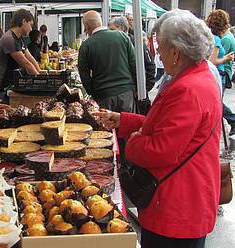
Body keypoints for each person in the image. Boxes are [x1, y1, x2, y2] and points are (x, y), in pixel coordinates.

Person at [94, 9, 221, 248]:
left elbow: (160, 150)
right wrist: (124, 121)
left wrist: (132, 141)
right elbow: (168, 128)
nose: (158, 56)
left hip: (177, 204)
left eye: (160, 48)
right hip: (183, 198)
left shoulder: (188, 90)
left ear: (175, 52)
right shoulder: (198, 78)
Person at [78, 11, 136, 113]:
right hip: (126, 93)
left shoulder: (86, 45)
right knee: (127, 125)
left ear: (86, 27)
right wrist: (134, 87)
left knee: (106, 128)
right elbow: (134, 64)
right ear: (100, 22)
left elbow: (83, 74)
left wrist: (92, 91)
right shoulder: (122, 36)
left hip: (103, 95)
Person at [0, 9, 40, 102]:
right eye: (30, 24)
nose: (31, 28)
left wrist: (41, 74)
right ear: (23, 21)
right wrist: (41, 82)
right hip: (1, 89)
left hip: (10, 86)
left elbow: (31, 59)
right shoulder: (9, 39)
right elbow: (26, 64)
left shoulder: (19, 39)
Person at [108, 16, 156, 93]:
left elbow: (150, 66)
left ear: (122, 29)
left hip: (136, 94)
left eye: (112, 30)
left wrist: (143, 90)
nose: (110, 33)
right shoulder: (112, 45)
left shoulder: (137, 43)